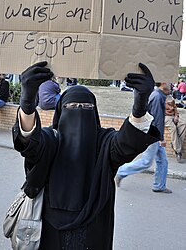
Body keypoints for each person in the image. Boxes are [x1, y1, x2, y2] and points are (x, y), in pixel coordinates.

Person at [11, 61, 160, 249]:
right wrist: (27, 104)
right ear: (61, 111)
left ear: (94, 112)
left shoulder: (104, 142)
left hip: (94, 228)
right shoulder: (51, 140)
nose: (79, 111)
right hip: (50, 228)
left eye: (86, 107)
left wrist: (140, 107)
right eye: (72, 106)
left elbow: (126, 143)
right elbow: (29, 142)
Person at [115, 82, 172, 193]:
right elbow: (156, 119)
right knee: (146, 162)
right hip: (152, 135)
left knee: (163, 161)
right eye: (169, 82)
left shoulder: (159, 95)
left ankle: (159, 186)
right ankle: (121, 171)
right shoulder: (157, 96)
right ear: (163, 83)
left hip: (154, 135)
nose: (170, 85)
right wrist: (160, 138)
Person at [165, 94, 186, 162]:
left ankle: (175, 144)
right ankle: (178, 151)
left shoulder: (170, 97)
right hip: (165, 116)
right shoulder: (159, 97)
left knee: (183, 124)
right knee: (173, 128)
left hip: (173, 116)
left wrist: (176, 116)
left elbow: (175, 108)